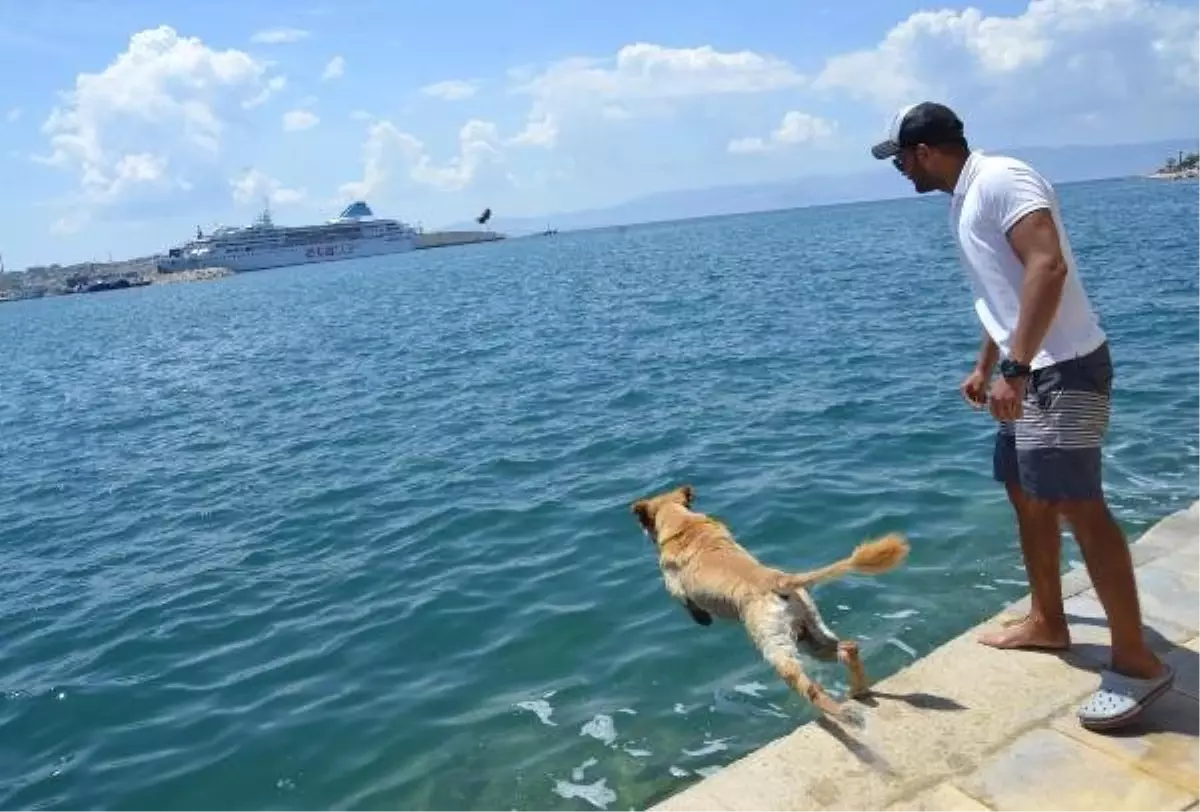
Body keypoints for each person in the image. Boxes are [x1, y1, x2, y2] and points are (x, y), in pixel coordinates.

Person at [869, 102, 1174, 731]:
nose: (898, 168)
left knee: (1079, 507)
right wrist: (989, 364)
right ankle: (1048, 621)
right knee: (1025, 495)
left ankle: (1138, 663)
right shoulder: (965, 196)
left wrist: (1018, 367)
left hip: (1063, 369)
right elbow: (1003, 293)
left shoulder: (1003, 180)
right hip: (1028, 368)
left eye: (899, 156)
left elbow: (1047, 266)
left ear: (924, 150)